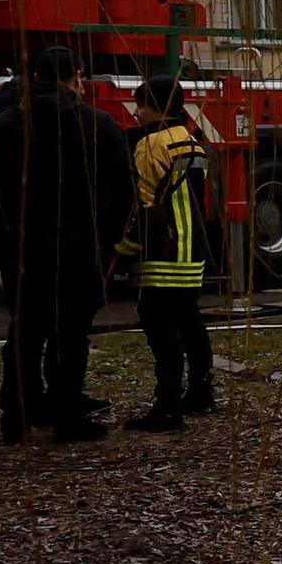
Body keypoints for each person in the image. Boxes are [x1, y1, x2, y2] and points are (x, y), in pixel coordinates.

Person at [0, 42, 131, 440]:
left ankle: (18, 409)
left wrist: (7, 225)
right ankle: (65, 413)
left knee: (24, 328)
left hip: (20, 247)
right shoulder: (97, 125)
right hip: (79, 245)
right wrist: (107, 238)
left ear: (36, 78)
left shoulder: (4, 127)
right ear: (77, 77)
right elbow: (124, 188)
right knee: (70, 332)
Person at [118, 73, 219, 429]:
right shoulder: (190, 141)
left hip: (162, 253)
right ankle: (201, 391)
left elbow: (143, 205)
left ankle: (167, 407)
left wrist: (124, 250)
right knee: (190, 322)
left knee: (161, 330)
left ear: (153, 106)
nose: (136, 112)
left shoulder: (150, 145)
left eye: (140, 104)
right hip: (192, 250)